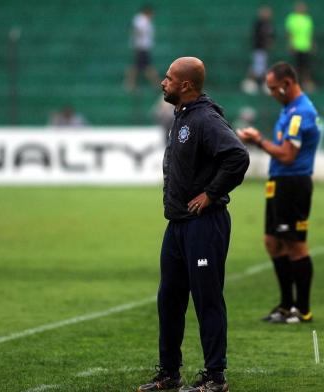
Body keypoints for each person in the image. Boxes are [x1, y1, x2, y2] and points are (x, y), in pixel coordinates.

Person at [137, 57, 249, 392]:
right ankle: (169, 373)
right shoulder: (182, 116)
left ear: (186, 85)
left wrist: (211, 194)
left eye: (169, 79)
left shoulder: (204, 118)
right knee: (169, 299)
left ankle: (216, 376)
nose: (163, 83)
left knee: (207, 298)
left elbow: (238, 156)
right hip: (178, 225)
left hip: (204, 224)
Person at [237, 62, 320, 324]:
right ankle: (286, 305)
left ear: (287, 84)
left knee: (295, 244)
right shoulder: (290, 109)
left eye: (273, 88)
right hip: (279, 183)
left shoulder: (300, 113)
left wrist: (258, 140)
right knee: (272, 242)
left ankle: (302, 309)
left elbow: (287, 154)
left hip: (293, 184)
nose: (271, 93)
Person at [124, 5, 160, 91]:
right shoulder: (140, 20)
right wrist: (138, 41)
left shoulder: (145, 20)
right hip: (141, 47)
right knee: (145, 67)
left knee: (138, 67)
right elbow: (136, 30)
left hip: (143, 47)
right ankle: (157, 84)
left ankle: (129, 83)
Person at [242, 6, 275, 95]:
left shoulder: (269, 24)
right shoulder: (258, 24)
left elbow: (272, 36)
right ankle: (249, 83)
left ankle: (263, 85)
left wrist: (270, 44)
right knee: (257, 67)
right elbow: (256, 36)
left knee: (262, 67)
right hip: (258, 48)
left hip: (265, 50)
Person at [285, 2, 315, 91]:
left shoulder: (307, 19)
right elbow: (289, 32)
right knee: (295, 66)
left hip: (306, 47)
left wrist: (312, 43)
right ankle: (294, 84)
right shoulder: (292, 18)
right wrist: (290, 44)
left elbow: (310, 33)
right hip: (296, 46)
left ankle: (306, 83)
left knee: (305, 66)